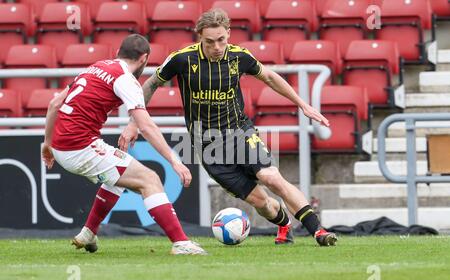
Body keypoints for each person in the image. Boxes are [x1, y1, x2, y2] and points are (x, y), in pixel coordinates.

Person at [120, 9, 338, 246]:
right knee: (261, 202)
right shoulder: (182, 59)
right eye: (210, 41)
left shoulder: (239, 57)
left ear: (228, 34)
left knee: (271, 177)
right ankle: (284, 224)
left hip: (239, 132)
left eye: (221, 40)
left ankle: (318, 231)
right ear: (200, 37)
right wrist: (134, 122)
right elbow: (151, 83)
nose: (217, 46)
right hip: (208, 146)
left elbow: (269, 77)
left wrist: (302, 104)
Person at [41, 34, 207, 255]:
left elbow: (54, 104)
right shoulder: (126, 78)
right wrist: (174, 162)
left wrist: (47, 144)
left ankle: (89, 232)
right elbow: (146, 126)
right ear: (144, 58)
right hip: (79, 147)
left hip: (62, 146)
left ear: (119, 52)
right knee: (150, 179)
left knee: (117, 176)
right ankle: (181, 243)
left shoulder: (96, 67)